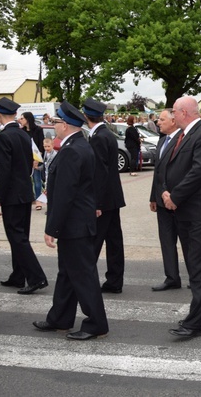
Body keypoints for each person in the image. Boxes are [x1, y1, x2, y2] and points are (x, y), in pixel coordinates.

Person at [33, 102, 108, 341]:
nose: (53, 126)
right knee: (67, 274)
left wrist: (51, 228)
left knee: (83, 276)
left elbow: (65, 194)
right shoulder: (79, 146)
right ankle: (60, 318)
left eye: (55, 122)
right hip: (77, 222)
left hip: (74, 225)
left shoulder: (72, 150)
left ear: (64, 125)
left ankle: (96, 323)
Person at [163, 97, 201, 338]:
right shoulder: (184, 134)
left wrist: (175, 195)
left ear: (184, 112)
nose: (171, 116)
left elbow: (199, 170)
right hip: (187, 210)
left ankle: (194, 323)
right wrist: (166, 192)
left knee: (199, 267)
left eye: (174, 112)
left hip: (200, 211)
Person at [0, 98, 48, 295]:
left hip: (12, 195)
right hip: (24, 191)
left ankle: (36, 277)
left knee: (16, 237)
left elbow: (3, 170)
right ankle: (18, 275)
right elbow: (29, 163)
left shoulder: (3, 137)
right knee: (20, 235)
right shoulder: (24, 135)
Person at [83, 98, 127, 294]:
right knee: (114, 241)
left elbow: (99, 172)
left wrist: (96, 203)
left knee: (94, 242)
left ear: (86, 116)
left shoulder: (99, 137)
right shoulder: (105, 134)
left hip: (104, 200)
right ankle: (114, 280)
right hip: (113, 198)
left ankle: (84, 280)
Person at [149, 109, 183, 292]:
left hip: (179, 201)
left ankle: (196, 278)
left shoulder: (183, 140)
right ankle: (172, 277)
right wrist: (154, 196)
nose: (158, 122)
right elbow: (158, 172)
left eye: (162, 119)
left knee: (187, 242)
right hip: (162, 202)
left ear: (173, 121)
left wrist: (175, 196)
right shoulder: (162, 140)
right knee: (166, 240)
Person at [18, 111, 45, 210]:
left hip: (36, 157)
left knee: (37, 180)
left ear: (28, 119)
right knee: (26, 180)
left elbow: (41, 145)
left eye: (22, 118)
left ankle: (38, 200)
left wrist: (37, 159)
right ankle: (28, 199)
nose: (20, 120)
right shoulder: (21, 131)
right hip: (25, 159)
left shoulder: (38, 130)